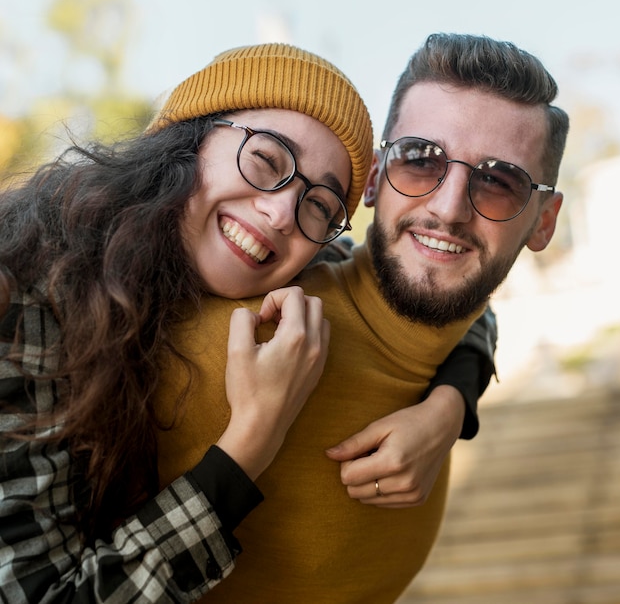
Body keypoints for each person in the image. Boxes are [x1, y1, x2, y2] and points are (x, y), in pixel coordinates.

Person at [0, 43, 492, 603]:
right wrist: (252, 439)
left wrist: (448, 409)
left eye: (319, 205)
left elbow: (444, 294)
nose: (283, 212)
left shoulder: (305, 267)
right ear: (188, 140)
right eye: (266, 160)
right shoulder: (27, 300)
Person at [154, 33, 568, 603]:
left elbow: (466, 314)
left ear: (543, 221)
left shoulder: (438, 378)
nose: (447, 208)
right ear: (374, 178)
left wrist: (453, 401)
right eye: (420, 160)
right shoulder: (240, 343)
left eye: (498, 183)